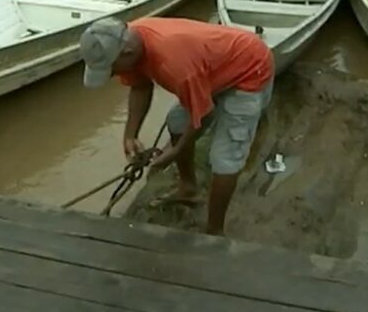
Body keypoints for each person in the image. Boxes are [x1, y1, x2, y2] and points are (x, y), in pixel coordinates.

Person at [79, 16, 274, 236]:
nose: (113, 74)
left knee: (225, 157)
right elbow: (140, 86)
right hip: (210, 66)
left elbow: (202, 113)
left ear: (126, 54)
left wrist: (177, 150)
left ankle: (214, 231)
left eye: (112, 69)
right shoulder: (128, 42)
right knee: (176, 121)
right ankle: (188, 187)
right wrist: (130, 135)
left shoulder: (173, 64)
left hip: (248, 70)